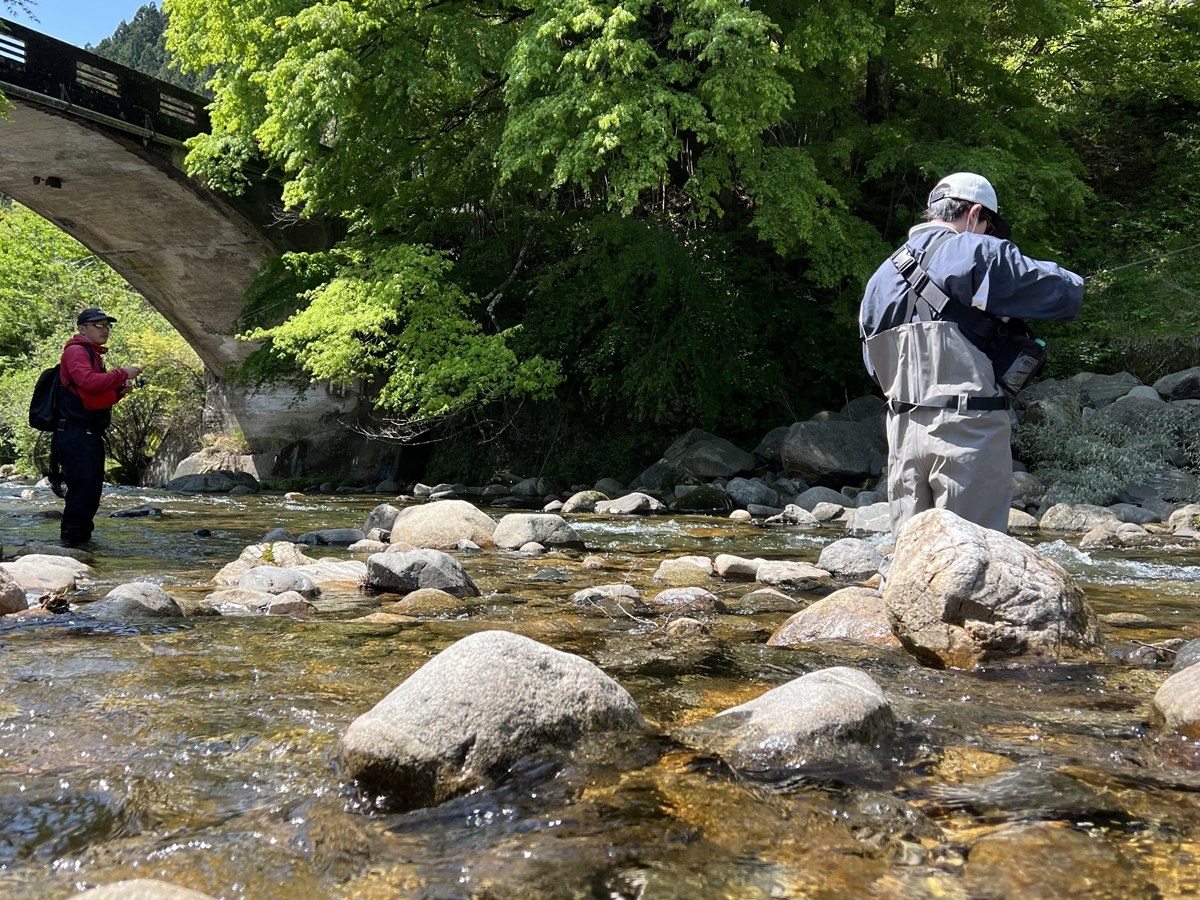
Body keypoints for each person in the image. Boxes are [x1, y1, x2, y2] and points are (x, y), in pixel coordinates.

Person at [859, 172, 1084, 536]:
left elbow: (873, 365)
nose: (989, 234)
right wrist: (1078, 283)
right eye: (989, 225)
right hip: (967, 433)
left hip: (902, 436)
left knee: (911, 563)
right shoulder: (978, 251)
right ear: (975, 212)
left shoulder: (879, 279)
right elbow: (1063, 297)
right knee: (974, 561)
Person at [53, 308, 142, 546]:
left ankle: (80, 544)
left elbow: (93, 401)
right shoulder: (76, 351)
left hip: (85, 434)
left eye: (107, 325)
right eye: (98, 325)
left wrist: (120, 392)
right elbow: (88, 383)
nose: (105, 329)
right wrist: (122, 372)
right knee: (82, 492)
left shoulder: (92, 354)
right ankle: (73, 545)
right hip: (75, 434)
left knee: (89, 492)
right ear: (82, 329)